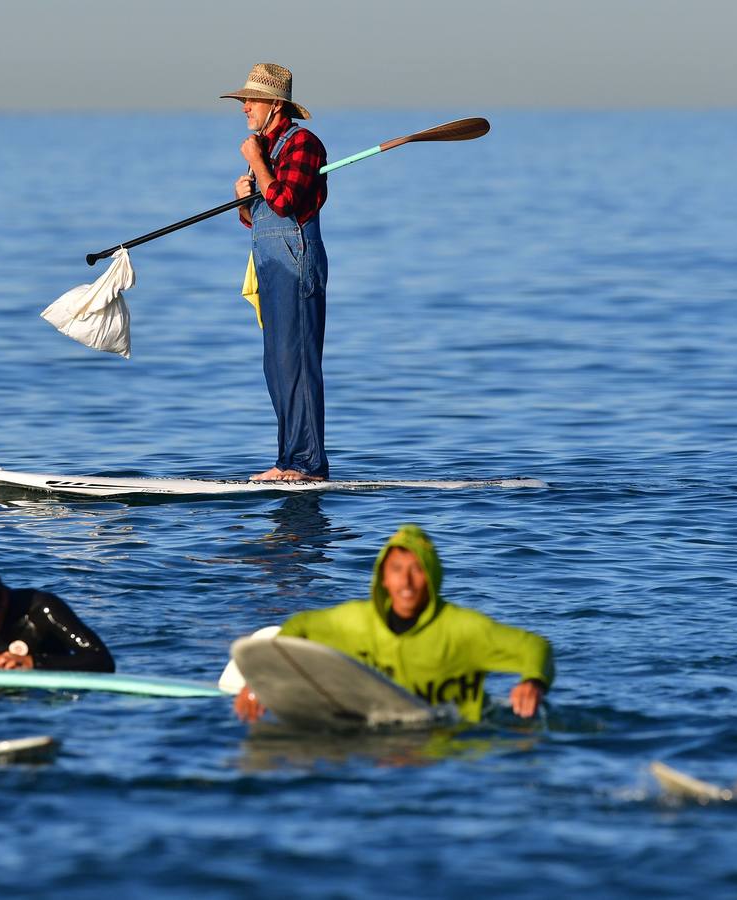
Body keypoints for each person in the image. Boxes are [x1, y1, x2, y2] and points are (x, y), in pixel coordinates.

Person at [233, 524, 554, 723]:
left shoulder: (461, 629)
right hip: (374, 735)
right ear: (383, 577)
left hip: (449, 742)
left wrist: (533, 682)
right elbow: (298, 628)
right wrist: (263, 683)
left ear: (432, 578)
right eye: (397, 569)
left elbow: (534, 647)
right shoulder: (356, 622)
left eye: (417, 570)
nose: (407, 581)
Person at [221, 62, 331, 482]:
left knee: (299, 361)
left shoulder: (304, 143)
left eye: (250, 100)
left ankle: (308, 464)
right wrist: (242, 200)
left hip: (296, 261)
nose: (244, 107)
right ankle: (288, 460)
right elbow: (258, 217)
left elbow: (285, 202)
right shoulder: (264, 149)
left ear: (273, 104)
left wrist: (256, 162)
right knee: (278, 364)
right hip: (269, 264)